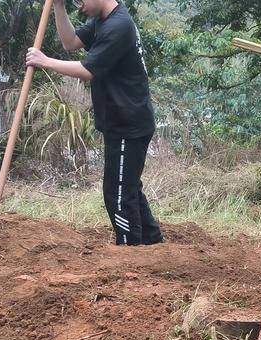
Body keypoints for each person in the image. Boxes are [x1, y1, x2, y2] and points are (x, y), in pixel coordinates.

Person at [25, 0, 162, 246]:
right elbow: (70, 44)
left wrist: (44, 61)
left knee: (117, 194)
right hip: (121, 120)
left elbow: (89, 69)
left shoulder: (119, 26)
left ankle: (130, 250)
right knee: (127, 188)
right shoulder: (102, 20)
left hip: (128, 124)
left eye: (81, 0)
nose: (79, 5)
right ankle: (151, 244)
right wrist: (59, 7)